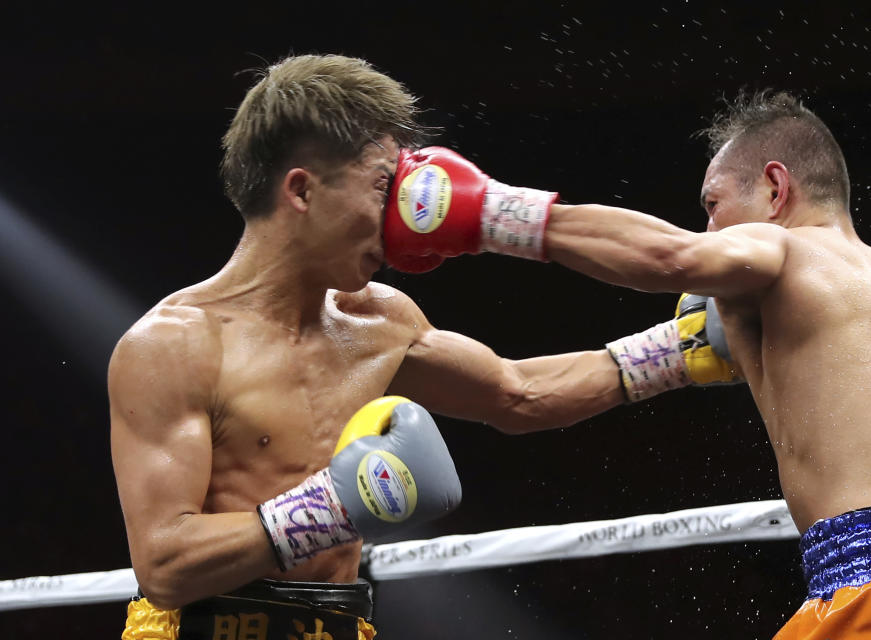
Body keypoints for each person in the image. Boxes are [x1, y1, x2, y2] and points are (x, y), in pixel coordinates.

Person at [109, 54, 736, 640]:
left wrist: (678, 352)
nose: (401, 217)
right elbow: (165, 563)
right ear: (301, 191)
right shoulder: (174, 346)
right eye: (385, 187)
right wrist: (330, 509)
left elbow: (516, 394)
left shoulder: (377, 322)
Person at [383, 91, 871, 638]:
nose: (709, 231)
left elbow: (669, 256)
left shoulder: (786, 252)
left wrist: (490, 212)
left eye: (713, 206)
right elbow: (527, 394)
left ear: (776, 188)